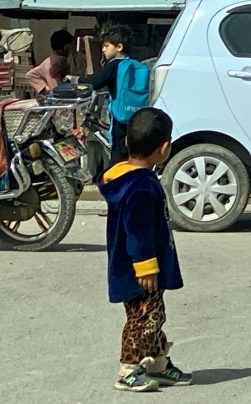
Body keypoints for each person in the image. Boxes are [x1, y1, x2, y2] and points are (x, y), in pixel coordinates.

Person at [98, 107, 191, 392]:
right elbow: (137, 230)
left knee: (155, 316)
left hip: (138, 267)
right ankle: (128, 369)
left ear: (127, 142)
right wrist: (146, 265)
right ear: (164, 148)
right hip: (140, 270)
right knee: (142, 319)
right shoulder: (139, 186)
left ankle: (157, 364)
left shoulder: (124, 179)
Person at [82, 26, 133, 169]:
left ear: (119, 47)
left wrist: (76, 80)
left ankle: (118, 186)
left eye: (106, 46)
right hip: (134, 114)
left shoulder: (115, 65)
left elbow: (97, 83)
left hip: (120, 116)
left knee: (118, 154)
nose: (103, 50)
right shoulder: (133, 64)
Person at [25, 29, 73, 94]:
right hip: (59, 96)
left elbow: (30, 75)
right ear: (66, 47)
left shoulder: (49, 60)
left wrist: (44, 88)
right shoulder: (60, 60)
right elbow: (56, 81)